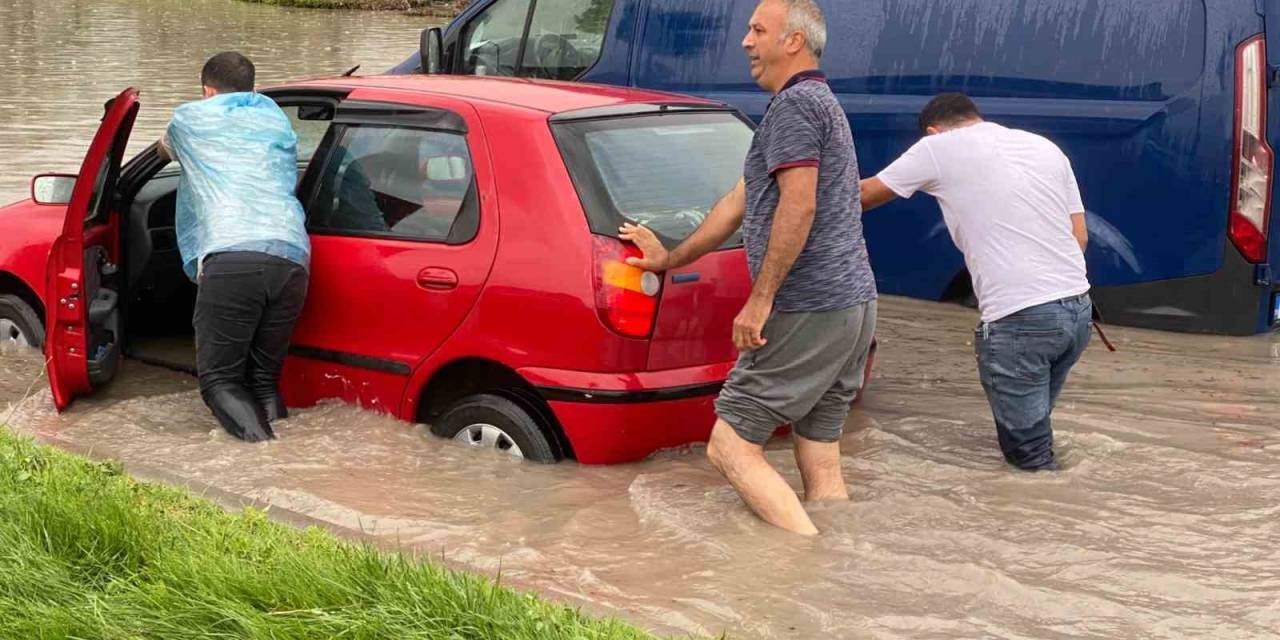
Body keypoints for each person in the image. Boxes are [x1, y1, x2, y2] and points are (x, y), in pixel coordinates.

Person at [623, 0, 876, 536]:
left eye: (758, 30)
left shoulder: (795, 108)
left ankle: (799, 559)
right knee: (819, 447)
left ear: (793, 42)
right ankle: (840, 564)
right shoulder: (818, 103)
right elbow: (737, 203)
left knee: (729, 447)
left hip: (808, 306)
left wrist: (760, 300)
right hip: (853, 305)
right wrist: (670, 257)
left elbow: (799, 205)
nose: (745, 41)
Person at [860, 93, 1091, 471]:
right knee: (1035, 432)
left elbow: (862, 196)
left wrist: (792, 199)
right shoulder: (1045, 147)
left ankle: (1046, 505)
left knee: (1030, 462)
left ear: (933, 131)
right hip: (1076, 312)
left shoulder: (937, 147)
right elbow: (1078, 237)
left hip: (1019, 319)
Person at [156, 52, 311, 443]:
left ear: (208, 91)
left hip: (233, 254)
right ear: (251, 89)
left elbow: (162, 151)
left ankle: (266, 458)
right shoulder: (274, 119)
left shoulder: (190, 120)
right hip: (292, 257)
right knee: (263, 380)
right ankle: (290, 453)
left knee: (219, 383)